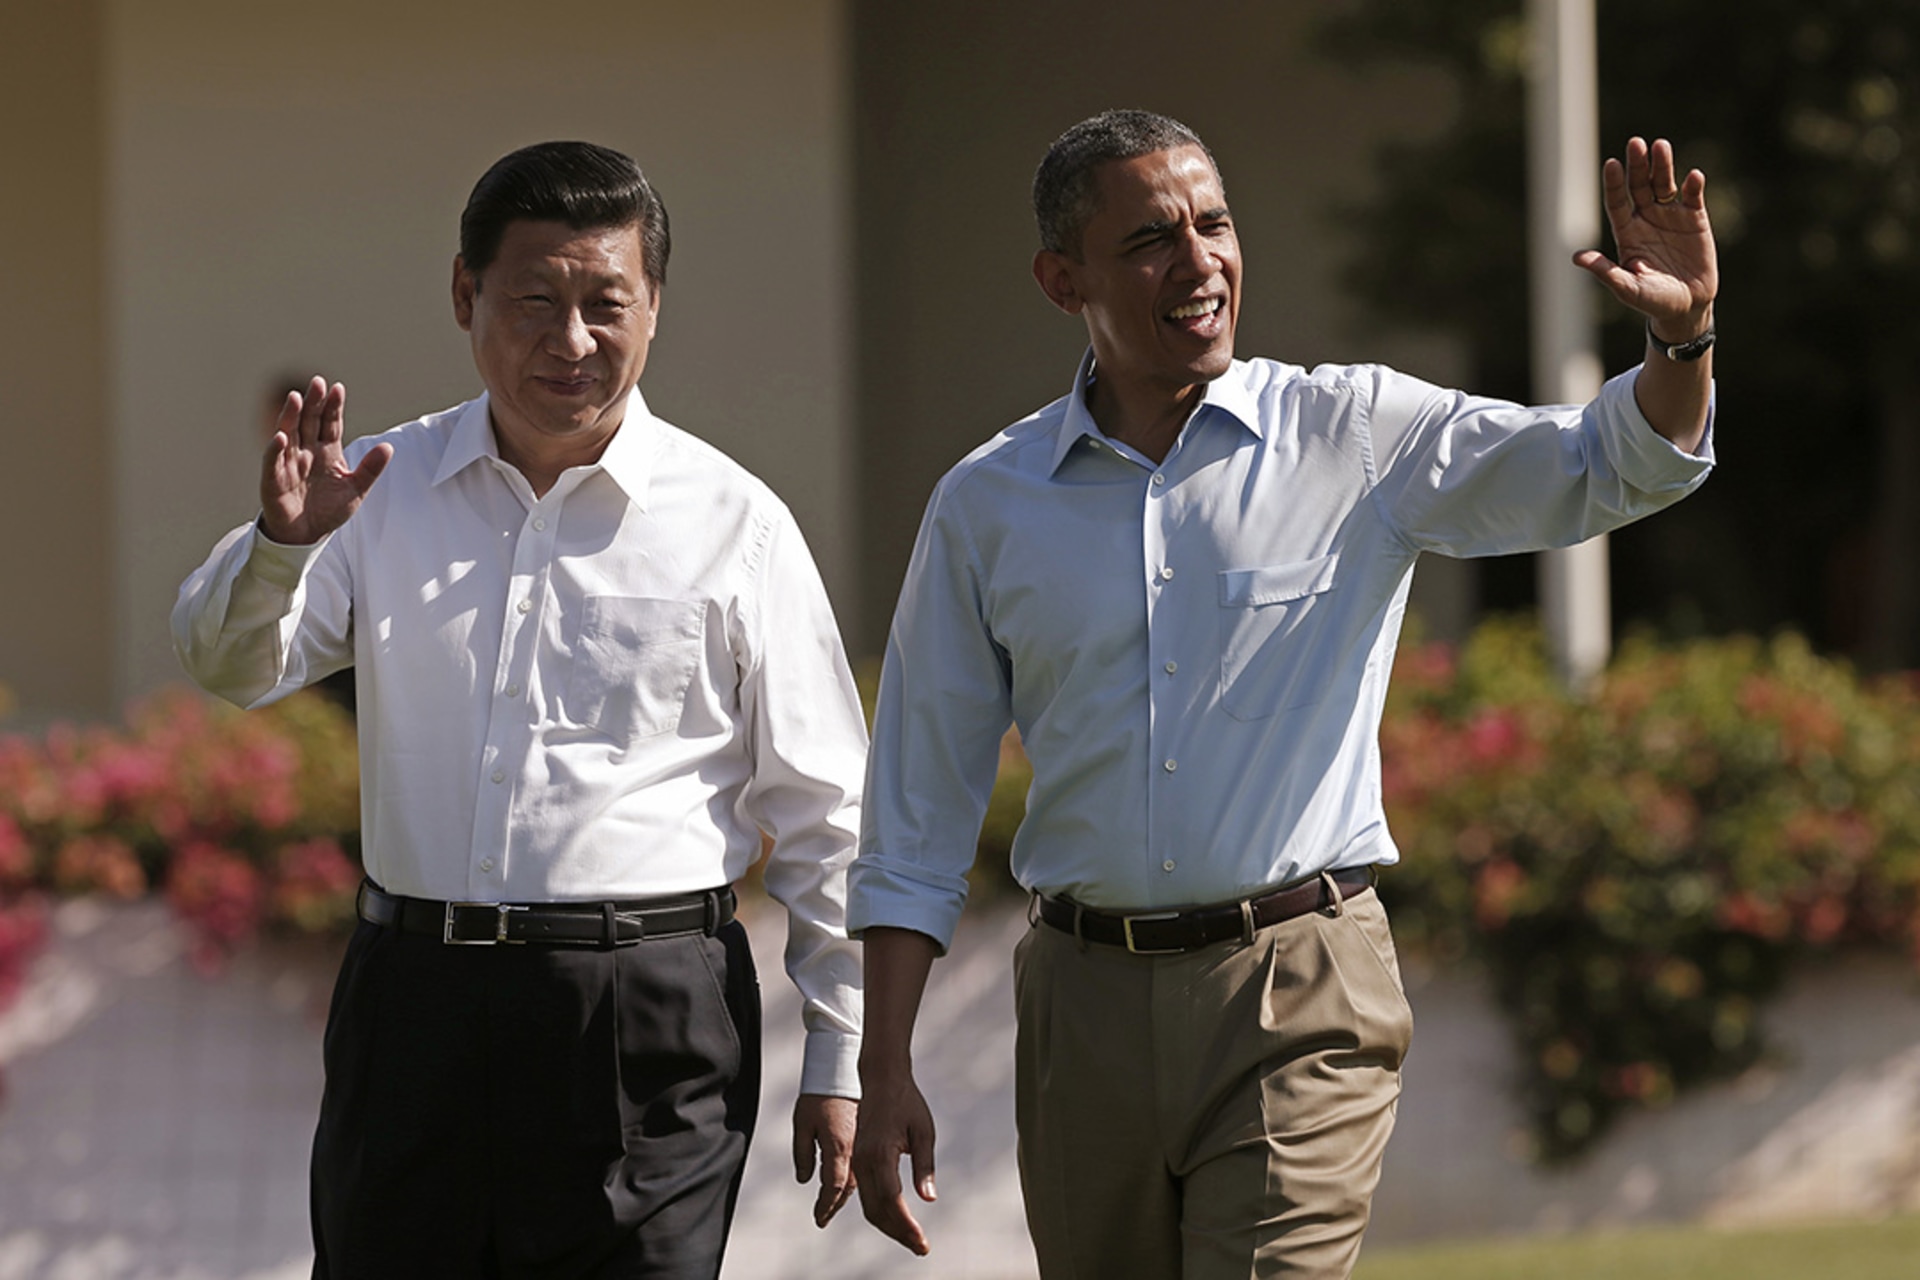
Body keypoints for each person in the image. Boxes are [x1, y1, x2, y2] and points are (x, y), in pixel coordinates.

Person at [847, 109, 1715, 1278]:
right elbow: (917, 805)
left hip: (1297, 988)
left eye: (1215, 223)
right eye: (1152, 237)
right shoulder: (984, 502)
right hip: (1080, 1008)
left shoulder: (1352, 432)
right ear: (1065, 280)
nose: (1200, 261)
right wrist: (883, 1060)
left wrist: (1682, 343)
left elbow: (1604, 467)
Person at [173, 140, 867, 1279]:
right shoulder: (379, 497)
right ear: (465, 294)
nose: (574, 339)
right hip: (415, 1008)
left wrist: (842, 1054)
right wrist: (283, 550)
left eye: (607, 303)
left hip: (644, 1019)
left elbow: (831, 813)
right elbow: (228, 663)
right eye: (535, 301)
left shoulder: (735, 520)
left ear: (655, 308)